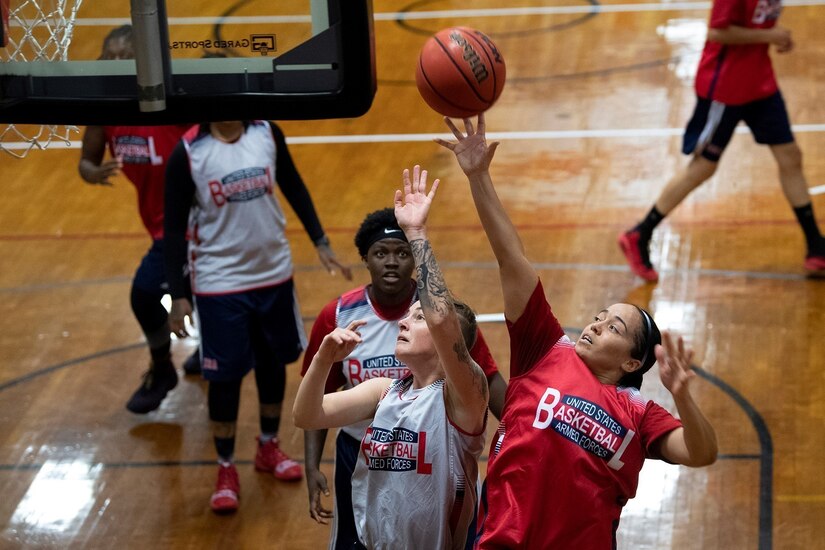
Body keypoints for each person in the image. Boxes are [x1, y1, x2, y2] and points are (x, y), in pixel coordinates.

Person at [436, 114, 718, 548]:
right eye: (599, 317)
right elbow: (512, 259)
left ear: (631, 361)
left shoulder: (639, 414)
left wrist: (682, 395)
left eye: (614, 328)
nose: (596, 326)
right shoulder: (545, 347)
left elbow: (701, 453)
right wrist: (478, 177)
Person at [294, 165, 489, 549]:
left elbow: (443, 319)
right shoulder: (384, 391)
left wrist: (417, 234)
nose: (405, 319)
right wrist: (323, 359)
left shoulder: (462, 399)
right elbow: (306, 415)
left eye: (419, 317)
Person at [163, 120, 352, 514]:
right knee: (225, 375)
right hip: (218, 280)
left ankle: (268, 445)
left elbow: (293, 184)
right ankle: (225, 467)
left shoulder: (267, 133)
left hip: (273, 273)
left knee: (271, 363)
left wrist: (320, 241)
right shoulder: (189, 152)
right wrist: (178, 296)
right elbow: (173, 226)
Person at [618, 0, 825, 281]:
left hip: (759, 82)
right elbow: (717, 32)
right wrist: (770, 35)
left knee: (790, 156)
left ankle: (816, 246)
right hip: (725, 88)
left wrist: (773, 36)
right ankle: (640, 234)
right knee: (704, 167)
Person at [78, 24, 199, 415]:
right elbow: (87, 160)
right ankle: (209, 351)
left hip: (194, 223)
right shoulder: (104, 110)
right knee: (196, 286)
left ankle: (162, 368)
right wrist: (89, 171)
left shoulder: (170, 104)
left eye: (124, 55)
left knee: (145, 294)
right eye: (108, 55)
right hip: (160, 222)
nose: (115, 62)